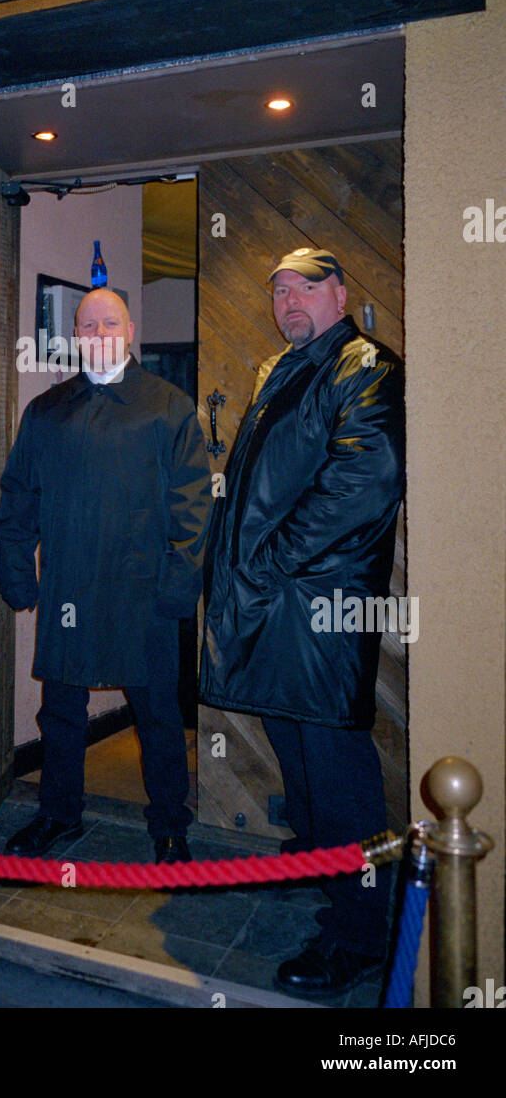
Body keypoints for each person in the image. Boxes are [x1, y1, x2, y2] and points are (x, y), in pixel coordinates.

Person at [199, 248, 405, 998]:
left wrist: (270, 556)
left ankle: (360, 933)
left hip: (320, 608)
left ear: (341, 293)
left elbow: (365, 479)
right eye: (280, 289)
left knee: (338, 772)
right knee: (298, 750)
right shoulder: (286, 366)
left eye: (305, 287)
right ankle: (323, 871)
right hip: (279, 605)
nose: (289, 300)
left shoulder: (365, 363)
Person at [0, 288, 212, 863]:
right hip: (68, 586)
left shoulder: (168, 407)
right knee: (61, 711)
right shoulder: (47, 410)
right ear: (75, 335)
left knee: (158, 715)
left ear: (130, 328)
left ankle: (170, 824)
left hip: (143, 594)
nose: (97, 334)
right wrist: (18, 574)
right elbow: (18, 497)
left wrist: (177, 589)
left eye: (108, 323)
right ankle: (58, 813)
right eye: (86, 325)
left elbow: (193, 508)